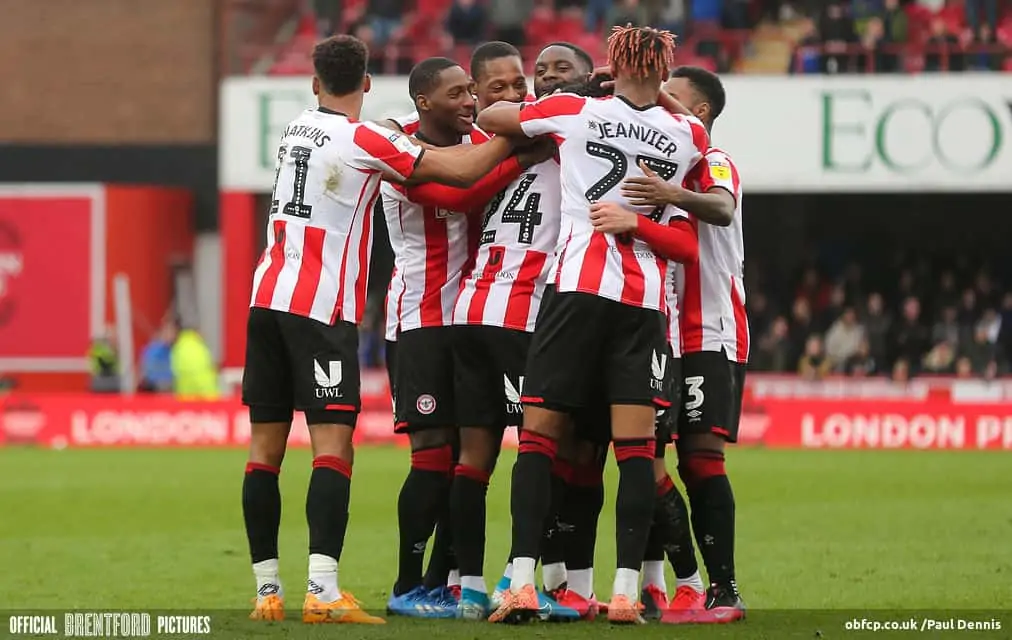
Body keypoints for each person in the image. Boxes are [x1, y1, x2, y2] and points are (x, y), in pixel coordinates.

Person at [240, 35, 513, 625]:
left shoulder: (294, 130)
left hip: (266, 297)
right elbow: (462, 168)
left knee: (263, 453)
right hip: (320, 308)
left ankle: (267, 592)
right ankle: (322, 591)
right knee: (332, 450)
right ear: (367, 83)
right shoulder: (367, 138)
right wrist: (525, 145)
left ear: (315, 84)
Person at [477, 25, 708, 624]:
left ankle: (523, 580)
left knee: (538, 439)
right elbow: (697, 157)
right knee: (636, 451)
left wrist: (586, 86)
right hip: (645, 300)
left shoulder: (575, 109)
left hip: (578, 286)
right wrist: (662, 96)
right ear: (664, 70)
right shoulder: (686, 133)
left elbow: (500, 119)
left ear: (611, 63)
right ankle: (627, 591)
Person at [381, 56, 554, 618]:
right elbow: (457, 194)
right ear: (424, 102)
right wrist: (521, 149)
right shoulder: (394, 144)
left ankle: (445, 579)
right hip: (421, 318)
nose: (468, 103)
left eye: (469, 93)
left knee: (466, 456)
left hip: (474, 315)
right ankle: (409, 584)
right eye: (457, 94)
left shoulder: (480, 137)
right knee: (432, 454)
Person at [449, 42, 595, 621]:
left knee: (473, 458)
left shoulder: (487, 146)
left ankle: (467, 587)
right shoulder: (571, 145)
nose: (523, 93)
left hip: (468, 309)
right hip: (519, 314)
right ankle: (529, 580)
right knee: (542, 447)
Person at [621, 65, 748, 623]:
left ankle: (722, 590)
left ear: (697, 114)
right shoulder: (657, 161)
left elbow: (720, 207)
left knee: (700, 461)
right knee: (643, 458)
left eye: (670, 95)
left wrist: (670, 192)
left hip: (709, 331)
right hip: (661, 332)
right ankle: (663, 585)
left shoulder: (712, 163)